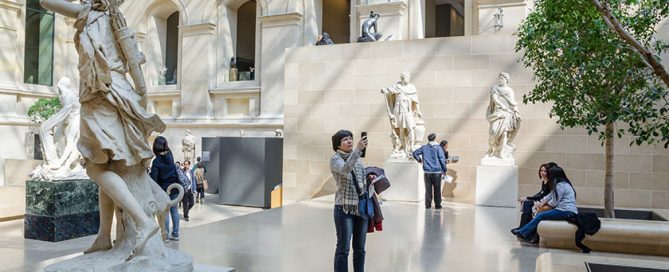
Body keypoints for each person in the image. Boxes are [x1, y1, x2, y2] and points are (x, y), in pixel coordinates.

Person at [39, 0, 166, 258]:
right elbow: (133, 62)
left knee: (95, 167)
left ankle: (142, 222)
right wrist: (140, 94)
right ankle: (103, 236)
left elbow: (45, 1)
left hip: (101, 98)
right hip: (118, 93)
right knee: (106, 165)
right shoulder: (114, 17)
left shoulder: (89, 13)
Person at [330, 130, 375, 272]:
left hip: (361, 207)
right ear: (338, 145)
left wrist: (370, 178)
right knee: (343, 248)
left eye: (350, 138)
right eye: (345, 139)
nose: (349, 141)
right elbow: (345, 170)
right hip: (344, 208)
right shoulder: (335, 159)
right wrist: (357, 150)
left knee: (360, 248)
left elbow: (359, 177)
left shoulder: (356, 158)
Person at [512, 166, 578, 243]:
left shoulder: (560, 185)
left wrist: (542, 205)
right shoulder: (561, 184)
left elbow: (554, 202)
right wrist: (541, 203)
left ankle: (523, 232)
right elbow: (549, 196)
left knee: (541, 215)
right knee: (539, 213)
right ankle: (527, 233)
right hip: (564, 210)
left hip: (566, 211)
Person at [511, 162, 557, 233]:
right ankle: (522, 226)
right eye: (541, 171)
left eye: (545, 171)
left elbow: (542, 195)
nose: (543, 173)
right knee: (526, 203)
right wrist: (528, 198)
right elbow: (540, 193)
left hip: (546, 202)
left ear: (548, 172)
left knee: (527, 203)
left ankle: (523, 227)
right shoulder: (544, 181)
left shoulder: (549, 182)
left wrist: (527, 198)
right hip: (543, 200)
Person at [150, 136, 180, 241]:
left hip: (163, 190)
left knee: (165, 212)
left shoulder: (156, 161)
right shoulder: (170, 156)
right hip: (174, 188)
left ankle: (165, 235)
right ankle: (175, 234)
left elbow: (154, 179)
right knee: (174, 211)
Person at [412, 133, 447, 209]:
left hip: (427, 172)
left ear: (428, 139)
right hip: (437, 172)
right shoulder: (438, 148)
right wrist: (444, 169)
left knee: (428, 189)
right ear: (434, 139)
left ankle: (428, 205)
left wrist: (419, 160)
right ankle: (438, 205)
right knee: (437, 189)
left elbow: (414, 153)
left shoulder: (424, 147)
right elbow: (442, 159)